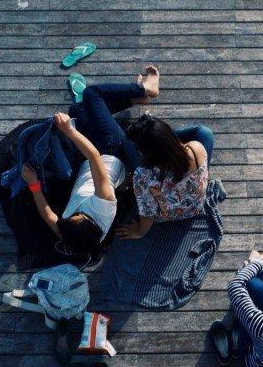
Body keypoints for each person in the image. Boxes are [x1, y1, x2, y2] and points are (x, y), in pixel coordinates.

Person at [21, 66, 161, 255]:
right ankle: (146, 89)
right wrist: (69, 131)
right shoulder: (103, 204)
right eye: (79, 216)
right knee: (91, 94)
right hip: (111, 150)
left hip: (90, 160)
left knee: (77, 110)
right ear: (90, 224)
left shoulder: (70, 233)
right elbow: (94, 156)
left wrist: (34, 184)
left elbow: (48, 216)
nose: (74, 214)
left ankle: (135, 99)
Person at [114, 115, 213, 240]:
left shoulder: (143, 175)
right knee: (205, 132)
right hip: (196, 205)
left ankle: (151, 136)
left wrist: (140, 231)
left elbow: (148, 212)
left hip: (168, 215)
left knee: (128, 142)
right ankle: (157, 134)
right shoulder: (195, 148)